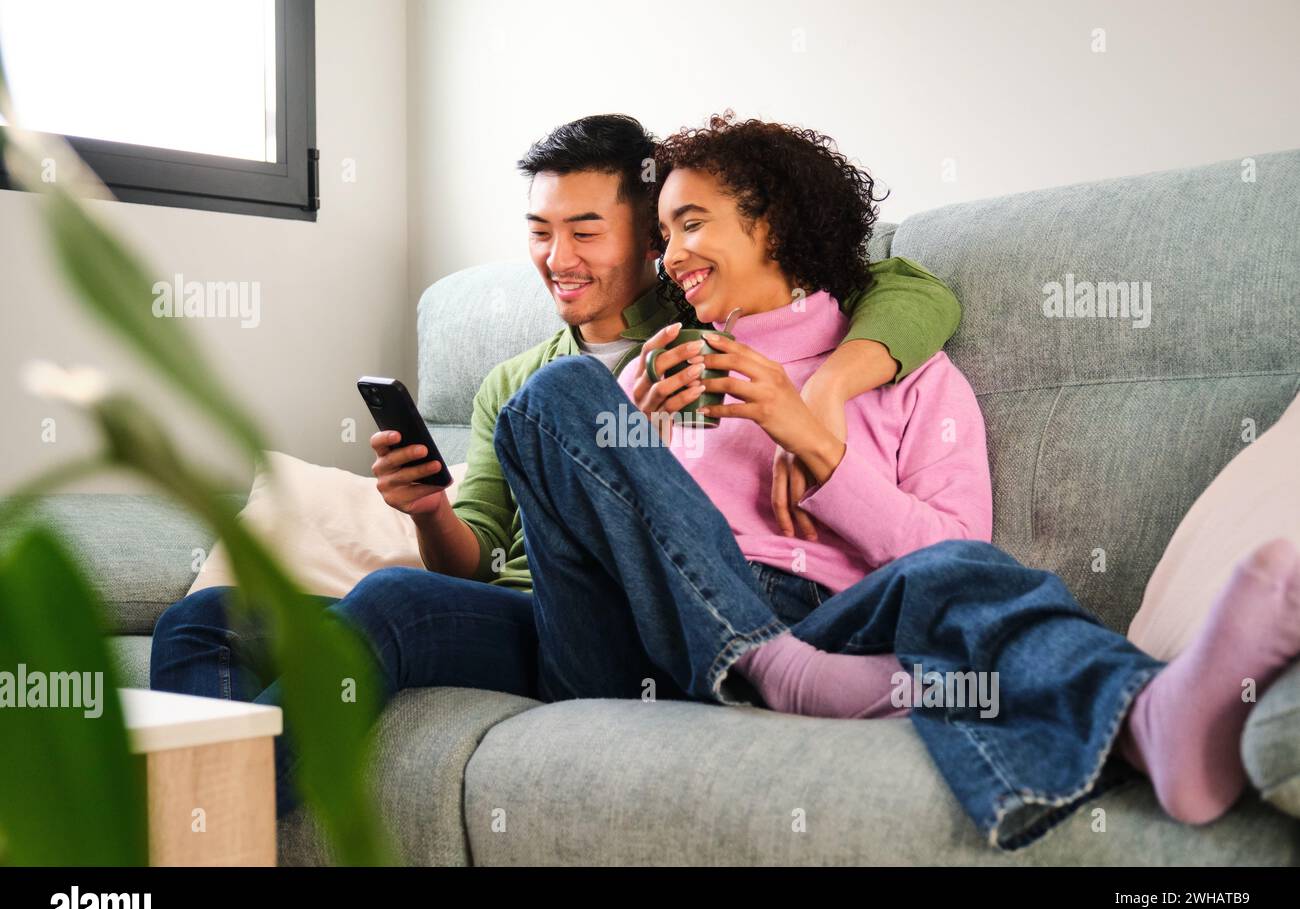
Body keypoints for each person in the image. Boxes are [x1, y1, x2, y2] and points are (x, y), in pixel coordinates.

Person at [490, 111, 1300, 851]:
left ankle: (1155, 719)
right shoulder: (663, 375)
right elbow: (605, 551)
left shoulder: (909, 375)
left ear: (771, 225)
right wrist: (637, 441)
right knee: (557, 398)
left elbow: (952, 552)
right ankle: (776, 671)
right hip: (650, 640)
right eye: (663, 234)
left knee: (964, 575)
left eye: (692, 224)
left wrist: (810, 435)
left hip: (839, 621)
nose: (670, 258)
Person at [149, 114, 964, 818]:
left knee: (547, 410)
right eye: (541, 232)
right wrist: (433, 509)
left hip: (719, 616)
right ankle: (200, 833)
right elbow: (497, 544)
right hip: (575, 616)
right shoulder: (606, 367)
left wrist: (822, 400)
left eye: (587, 230)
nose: (559, 256)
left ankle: (766, 661)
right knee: (218, 617)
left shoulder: (728, 334)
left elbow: (901, 286)